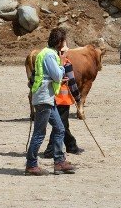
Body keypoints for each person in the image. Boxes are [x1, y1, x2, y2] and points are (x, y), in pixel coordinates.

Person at [26, 27, 76, 176]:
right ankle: (31, 165)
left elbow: (50, 76)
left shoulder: (47, 53)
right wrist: (61, 63)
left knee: (60, 128)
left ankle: (59, 162)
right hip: (43, 98)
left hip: (47, 98)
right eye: (64, 41)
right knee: (39, 134)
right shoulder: (49, 55)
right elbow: (56, 75)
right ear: (60, 42)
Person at [42, 44, 84, 159]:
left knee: (62, 124)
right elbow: (72, 82)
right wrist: (78, 98)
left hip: (52, 98)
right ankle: (51, 150)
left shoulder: (50, 63)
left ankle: (71, 145)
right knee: (61, 125)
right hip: (63, 100)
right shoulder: (66, 64)